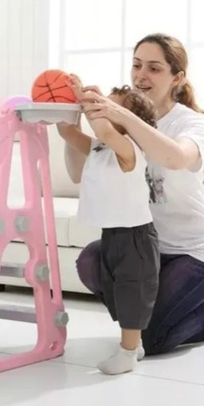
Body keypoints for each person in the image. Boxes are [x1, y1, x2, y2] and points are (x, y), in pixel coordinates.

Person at [58, 33, 204, 358]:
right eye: (137, 65)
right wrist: (76, 118)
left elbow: (176, 157)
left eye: (154, 68)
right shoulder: (124, 116)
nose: (141, 74)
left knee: (152, 341)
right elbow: (77, 171)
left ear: (177, 78)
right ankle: (140, 323)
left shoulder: (192, 123)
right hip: (143, 246)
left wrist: (117, 113)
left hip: (192, 251)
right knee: (90, 261)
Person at [60, 83, 160, 374]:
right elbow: (67, 133)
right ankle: (134, 345)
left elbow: (105, 130)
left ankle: (128, 353)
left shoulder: (130, 149)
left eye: (109, 106)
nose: (100, 108)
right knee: (115, 288)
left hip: (135, 237)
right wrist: (66, 101)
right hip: (113, 232)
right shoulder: (100, 147)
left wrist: (89, 99)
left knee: (132, 291)